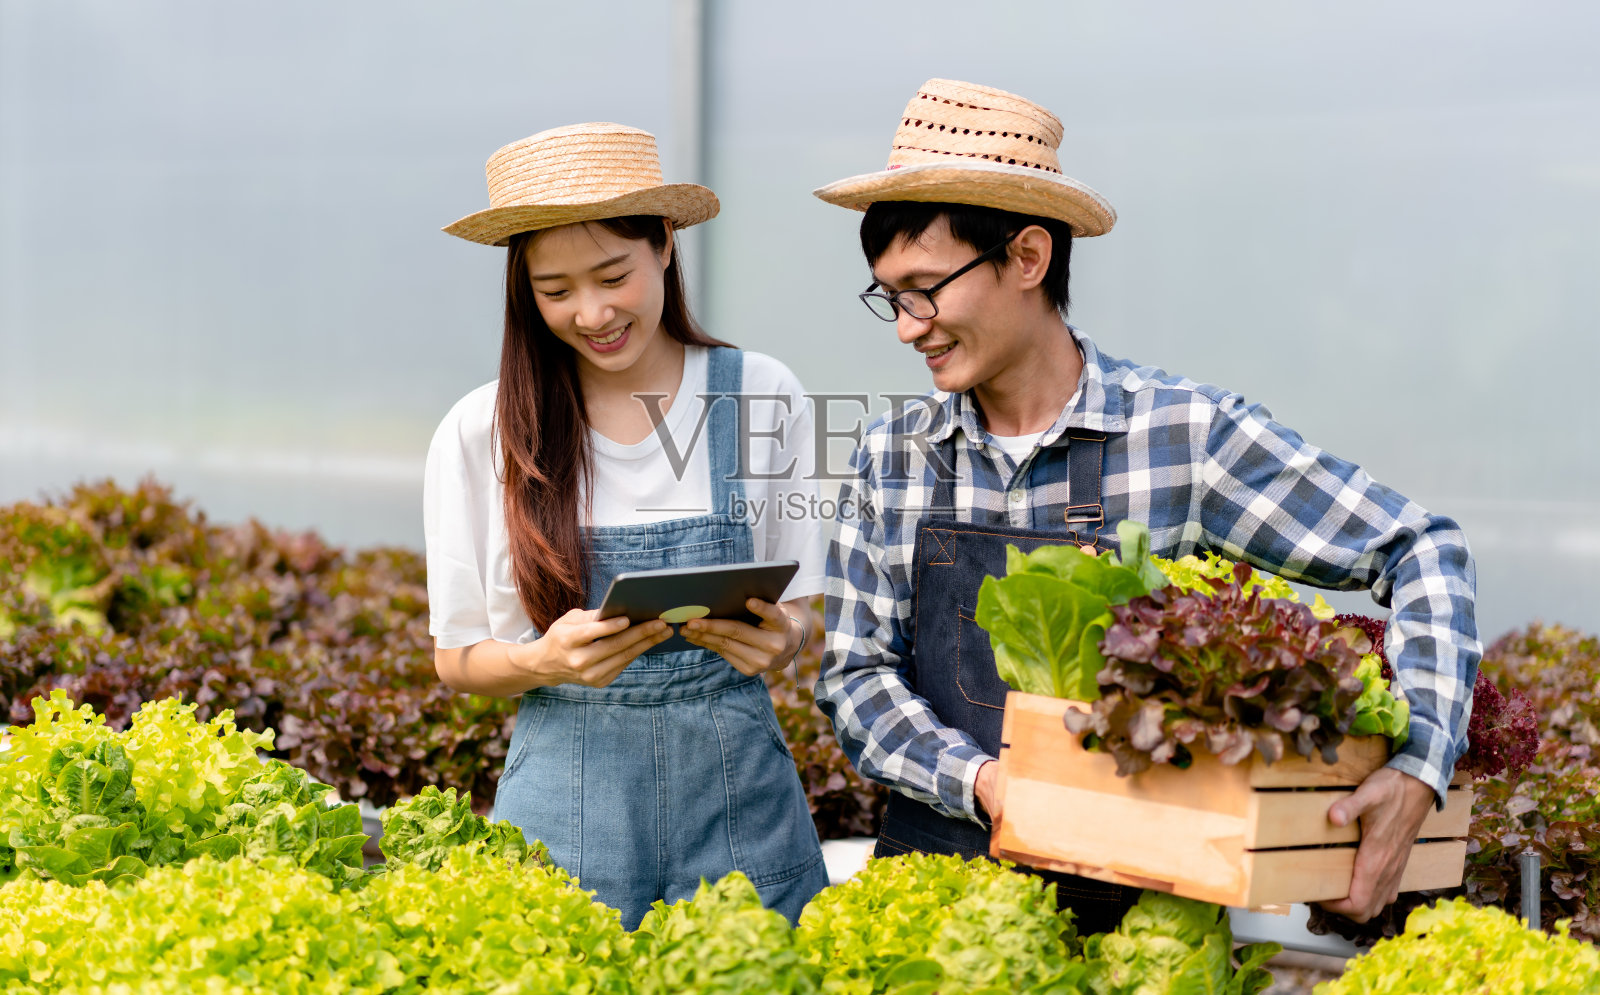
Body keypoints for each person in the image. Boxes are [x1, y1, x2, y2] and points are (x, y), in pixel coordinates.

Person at [811, 79, 1477, 934]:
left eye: (926, 288)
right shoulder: (891, 456)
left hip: (1135, 929)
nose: (908, 326)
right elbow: (856, 677)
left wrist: (1419, 768)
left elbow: (1420, 545)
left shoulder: (1183, 437)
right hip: (934, 917)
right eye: (890, 296)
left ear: (1026, 258)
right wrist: (985, 783)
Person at [425, 122, 828, 928]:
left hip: (739, 802)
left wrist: (779, 642)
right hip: (567, 808)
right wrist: (544, 659)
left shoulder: (760, 395)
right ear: (525, 291)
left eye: (614, 274)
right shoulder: (482, 431)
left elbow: (798, 614)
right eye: (557, 290)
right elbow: (457, 657)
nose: (593, 312)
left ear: (666, 248)